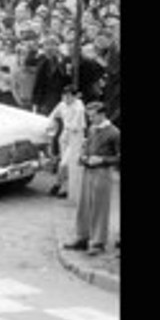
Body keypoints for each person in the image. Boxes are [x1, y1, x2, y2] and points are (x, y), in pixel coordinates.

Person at [63, 102, 119, 254]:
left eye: (93, 116)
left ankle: (98, 242)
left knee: (99, 207)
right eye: (89, 116)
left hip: (102, 173)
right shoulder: (92, 129)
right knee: (84, 205)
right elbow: (86, 146)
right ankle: (82, 237)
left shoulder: (114, 132)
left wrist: (102, 160)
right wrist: (83, 156)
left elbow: (118, 157)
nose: (90, 119)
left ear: (102, 114)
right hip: (88, 171)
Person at [48, 84, 86, 199]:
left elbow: (76, 124)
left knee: (66, 163)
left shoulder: (79, 107)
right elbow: (52, 116)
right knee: (63, 163)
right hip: (65, 135)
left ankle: (59, 184)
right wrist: (51, 126)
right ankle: (64, 187)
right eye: (64, 95)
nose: (66, 98)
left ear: (75, 97)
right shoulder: (62, 104)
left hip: (76, 136)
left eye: (69, 96)